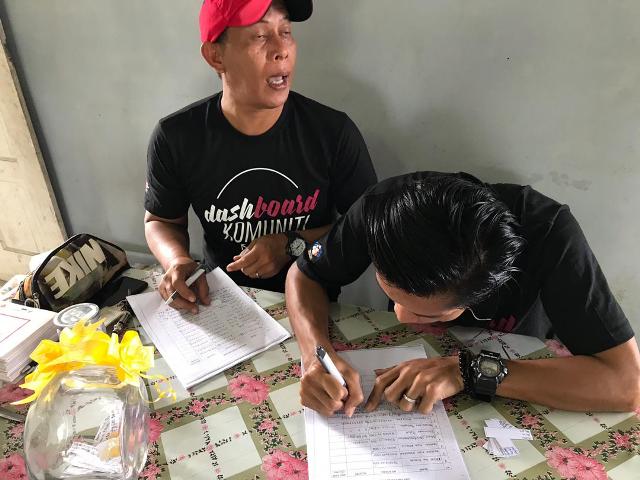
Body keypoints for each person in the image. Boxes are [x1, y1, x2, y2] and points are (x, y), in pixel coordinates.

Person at [285, 171, 640, 417]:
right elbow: (304, 274)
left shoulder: (549, 234)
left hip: (519, 373)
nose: (402, 316)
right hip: (405, 365)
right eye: (393, 295)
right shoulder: (382, 212)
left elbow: (627, 385)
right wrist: (315, 356)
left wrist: (468, 371)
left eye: (428, 314)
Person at [144, 0, 377, 313]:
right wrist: (177, 260)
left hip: (314, 302)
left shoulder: (332, 132)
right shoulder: (177, 137)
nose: (281, 49)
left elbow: (367, 226)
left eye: (286, 32)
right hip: (219, 303)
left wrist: (291, 243)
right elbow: (160, 220)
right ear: (215, 55)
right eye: (260, 36)